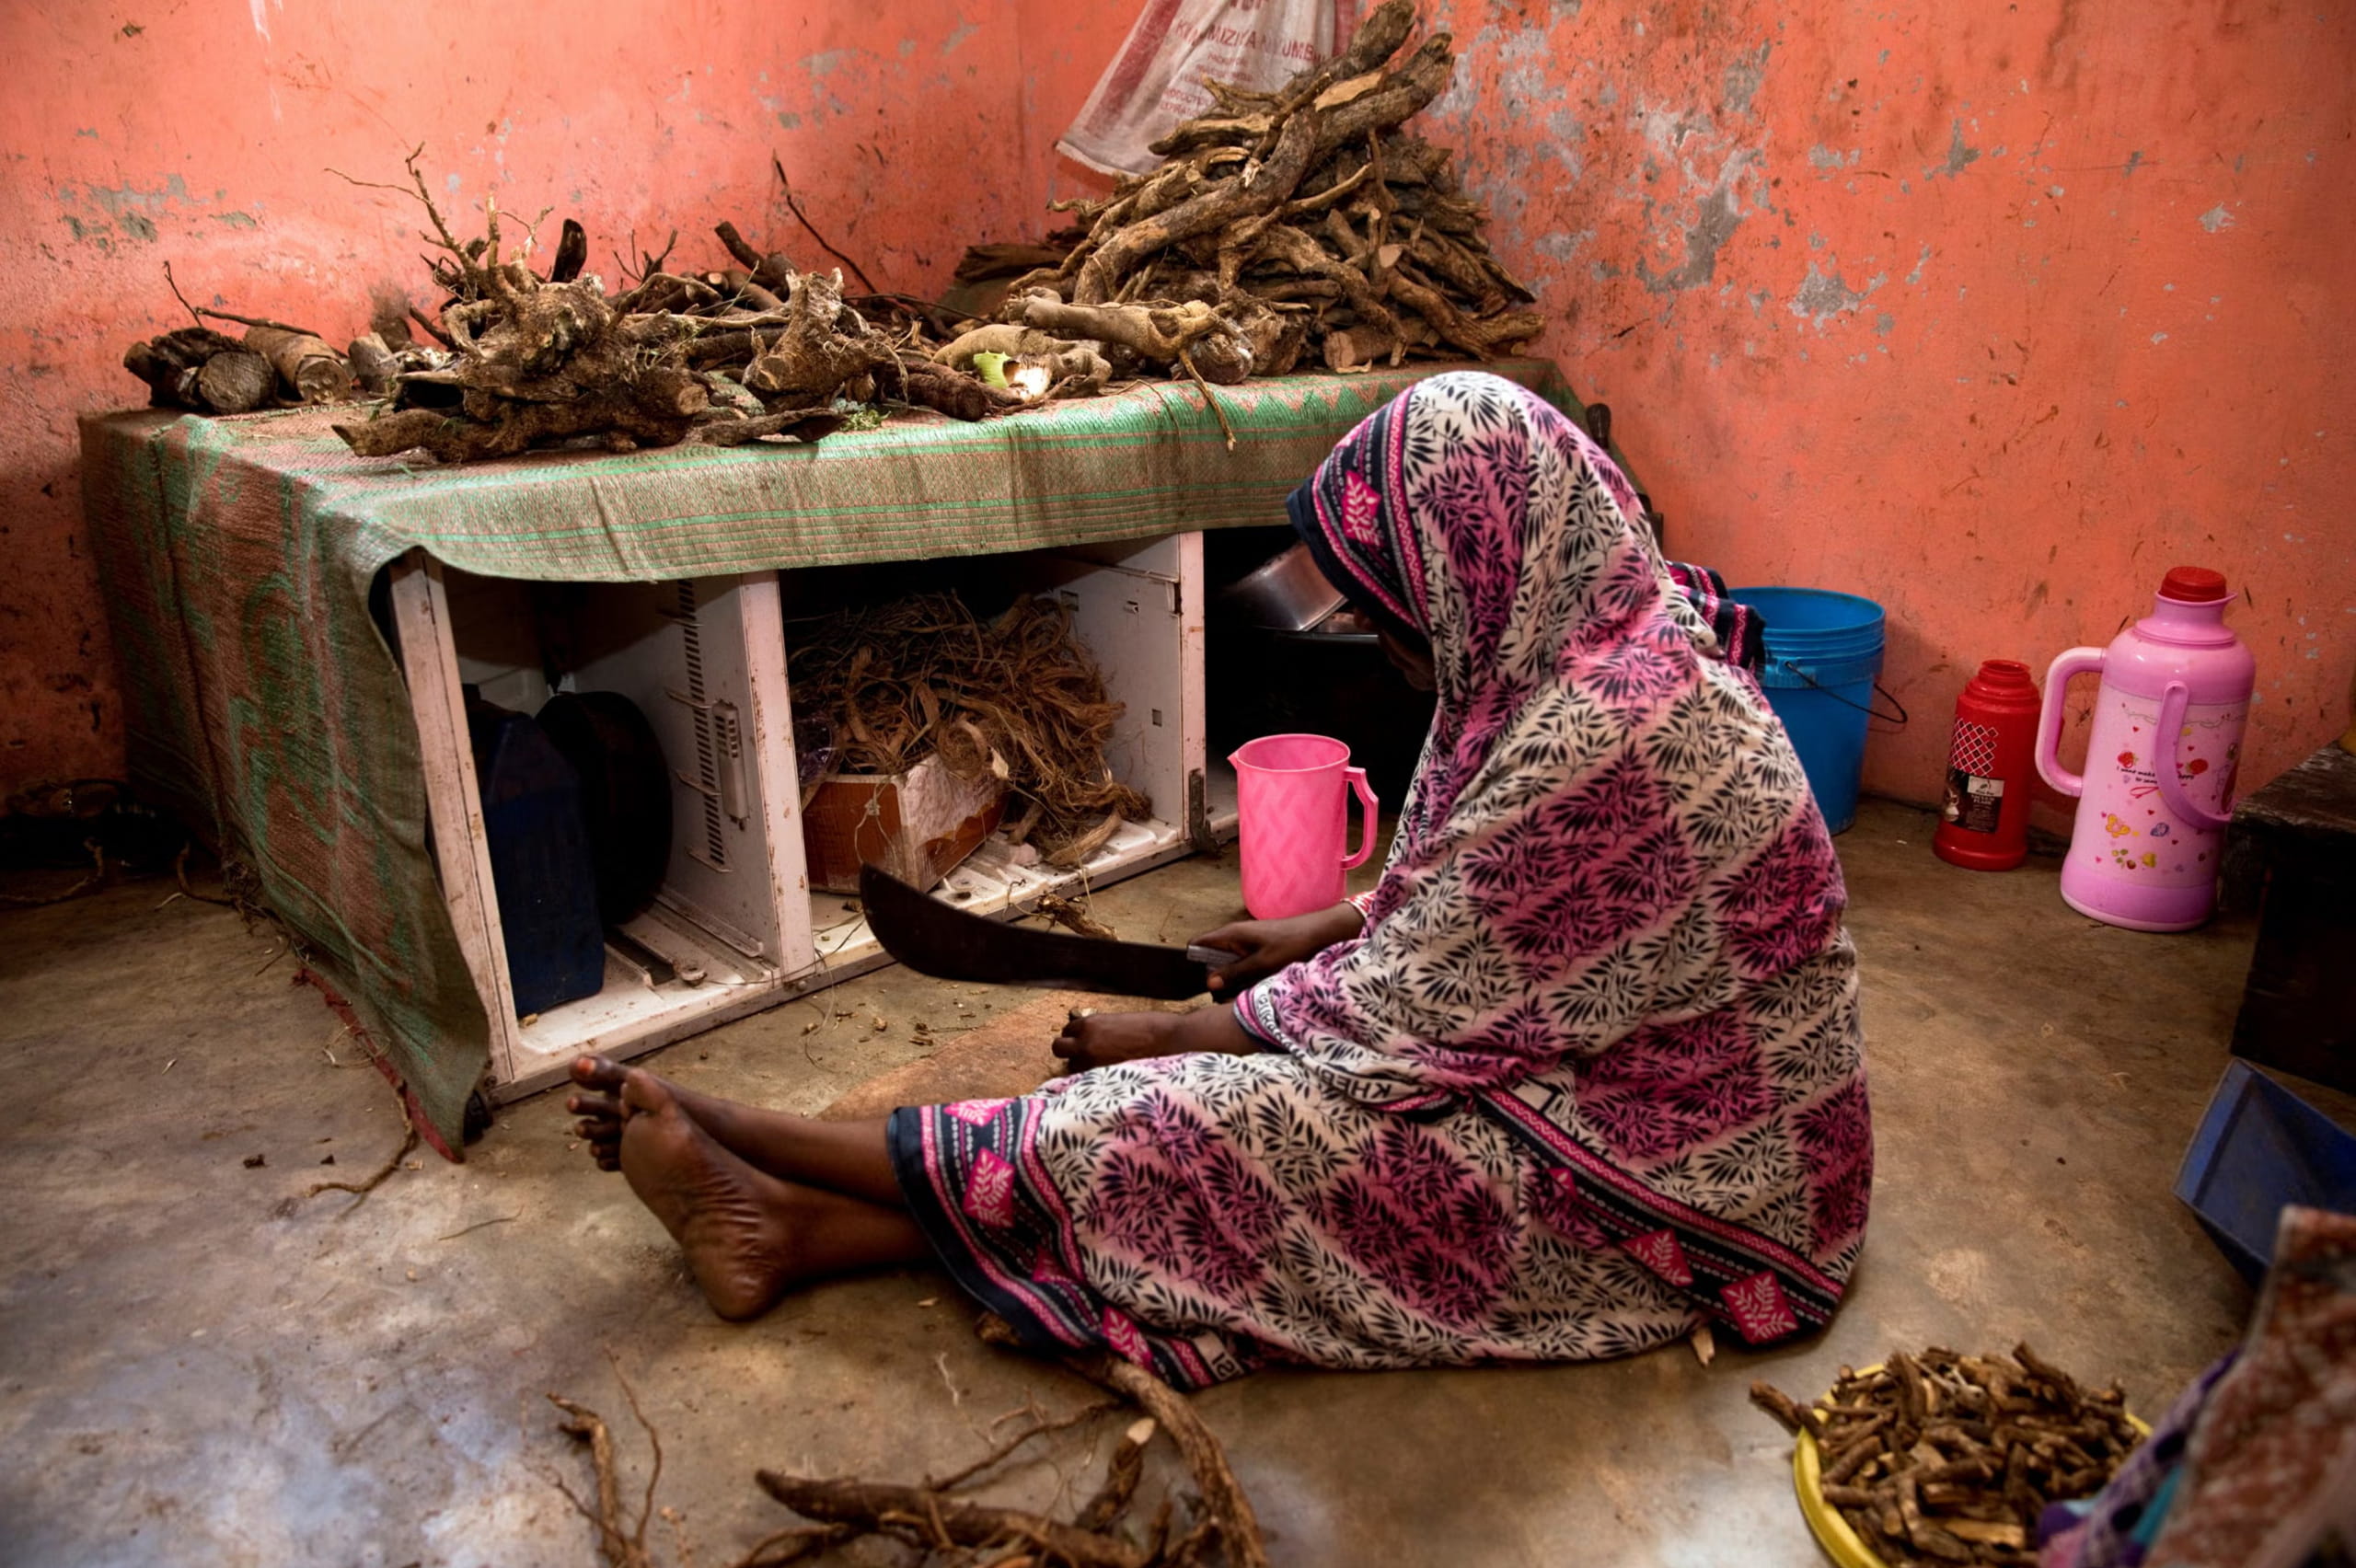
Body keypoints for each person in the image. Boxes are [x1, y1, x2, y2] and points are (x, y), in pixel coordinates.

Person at [567, 370, 1871, 1389]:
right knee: (1234, 1133)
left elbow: (1426, 1013)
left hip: (1687, 1183)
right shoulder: (1594, 645)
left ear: (1488, 556)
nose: (1380, 628)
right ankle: (791, 1233)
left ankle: (754, 1135)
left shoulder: (1615, 726)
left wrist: (1198, 1024)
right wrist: (1325, 927)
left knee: (1219, 1122)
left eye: (1394, 593)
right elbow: (1526, 910)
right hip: (1608, 1082)